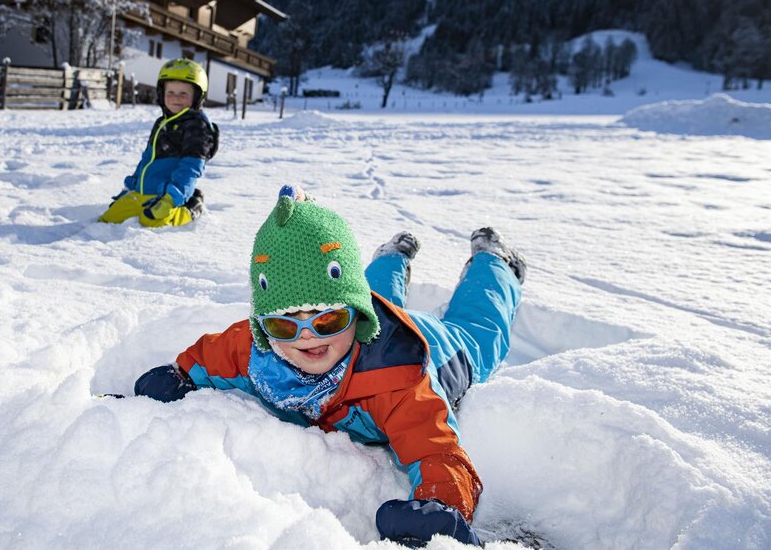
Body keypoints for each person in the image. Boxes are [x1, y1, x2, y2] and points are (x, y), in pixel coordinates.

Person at [133, 185, 526, 547]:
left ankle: (494, 262)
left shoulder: (398, 380)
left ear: (356, 314)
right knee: (370, 291)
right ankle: (391, 257)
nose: (307, 336)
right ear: (264, 328)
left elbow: (437, 451)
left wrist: (442, 507)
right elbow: (214, 353)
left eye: (327, 320)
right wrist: (181, 374)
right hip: (359, 308)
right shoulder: (259, 347)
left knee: (480, 330)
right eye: (285, 324)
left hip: (439, 348)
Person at [98, 58, 218, 227]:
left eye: (183, 93)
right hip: (143, 192)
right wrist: (130, 187)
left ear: (197, 96)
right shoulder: (162, 123)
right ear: (162, 94)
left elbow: (190, 167)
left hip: (168, 195)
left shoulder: (197, 127)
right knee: (107, 220)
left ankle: (191, 206)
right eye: (170, 92)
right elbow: (148, 158)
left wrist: (171, 199)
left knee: (151, 221)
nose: (175, 98)